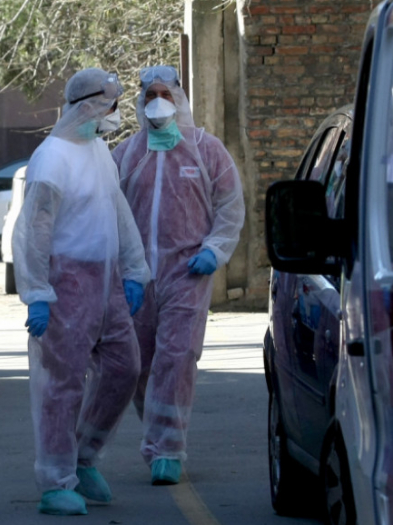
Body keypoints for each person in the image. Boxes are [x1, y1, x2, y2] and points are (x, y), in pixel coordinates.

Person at [12, 67, 151, 516]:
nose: (114, 113)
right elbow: (34, 230)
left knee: (125, 368)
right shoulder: (52, 158)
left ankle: (84, 454)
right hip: (65, 286)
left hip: (106, 283)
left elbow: (118, 210)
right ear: (88, 105)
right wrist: (37, 292)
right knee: (63, 383)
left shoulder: (99, 152)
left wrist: (134, 269)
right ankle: (55, 480)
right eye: (110, 104)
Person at [111, 65, 245, 485]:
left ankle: (168, 449)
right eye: (150, 95)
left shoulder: (206, 149)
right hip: (137, 277)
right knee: (138, 365)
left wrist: (214, 250)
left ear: (179, 99)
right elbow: (107, 211)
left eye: (165, 95)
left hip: (187, 272)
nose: (158, 103)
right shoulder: (126, 155)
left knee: (177, 357)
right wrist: (119, 268)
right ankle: (156, 430)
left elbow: (230, 205)